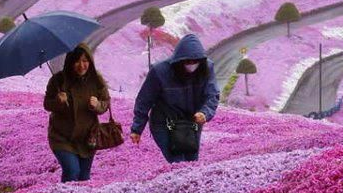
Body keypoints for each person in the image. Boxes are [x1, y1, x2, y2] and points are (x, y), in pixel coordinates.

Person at [130, 33, 219, 163]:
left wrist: (205, 113)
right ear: (179, 59)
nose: (192, 65)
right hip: (164, 124)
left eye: (195, 62)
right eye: (187, 62)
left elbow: (212, 94)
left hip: (191, 122)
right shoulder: (160, 71)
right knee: (177, 161)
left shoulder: (206, 68)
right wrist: (137, 129)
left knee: (191, 161)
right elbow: (144, 100)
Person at [43, 43, 111, 183]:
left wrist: (97, 105)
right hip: (61, 137)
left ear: (90, 62)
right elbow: (47, 105)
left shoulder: (96, 80)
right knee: (72, 171)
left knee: (84, 178)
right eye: (77, 61)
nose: (81, 65)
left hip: (87, 138)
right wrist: (58, 101)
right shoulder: (58, 80)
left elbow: (106, 103)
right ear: (70, 62)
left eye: (85, 61)